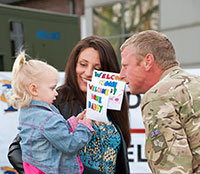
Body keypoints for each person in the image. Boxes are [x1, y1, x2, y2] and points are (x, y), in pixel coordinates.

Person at [119, 30, 200, 173]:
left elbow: (173, 168)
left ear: (147, 61)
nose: (121, 75)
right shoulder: (195, 84)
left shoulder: (158, 97)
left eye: (126, 66)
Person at [8, 51, 94, 174]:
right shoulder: (47, 117)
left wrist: (75, 122)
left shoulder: (28, 111)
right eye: (52, 88)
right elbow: (70, 144)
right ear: (34, 89)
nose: (56, 93)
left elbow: (54, 134)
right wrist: (85, 126)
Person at [54, 36, 131, 174]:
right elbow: (20, 149)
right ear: (74, 65)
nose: (88, 73)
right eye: (83, 64)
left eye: (97, 68)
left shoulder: (113, 103)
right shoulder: (56, 100)